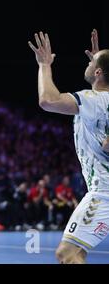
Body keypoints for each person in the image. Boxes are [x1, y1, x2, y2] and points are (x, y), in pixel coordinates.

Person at [29, 29, 109, 263]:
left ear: (97, 72)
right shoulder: (99, 100)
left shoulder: (93, 100)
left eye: (92, 61)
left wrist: (44, 65)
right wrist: (99, 63)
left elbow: (48, 100)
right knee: (78, 252)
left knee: (68, 253)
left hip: (104, 192)